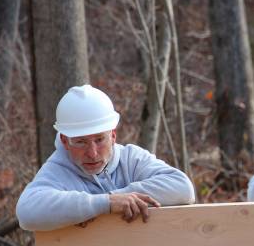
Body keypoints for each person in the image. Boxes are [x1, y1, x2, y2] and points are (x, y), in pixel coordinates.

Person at [16, 84, 195, 231]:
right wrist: (105, 203)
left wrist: (118, 197)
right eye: (80, 142)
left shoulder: (131, 159)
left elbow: (183, 188)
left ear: (113, 136)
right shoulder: (58, 170)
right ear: (64, 141)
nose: (92, 153)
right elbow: (27, 213)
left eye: (100, 140)